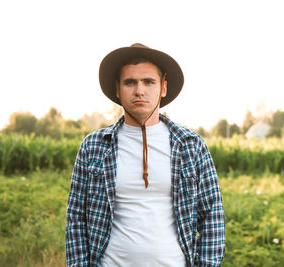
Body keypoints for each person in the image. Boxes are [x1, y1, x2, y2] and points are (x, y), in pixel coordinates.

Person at [65, 43, 225, 267]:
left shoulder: (191, 145)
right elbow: (76, 218)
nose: (139, 90)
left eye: (149, 82)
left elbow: (212, 215)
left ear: (163, 88)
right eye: (130, 82)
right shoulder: (94, 146)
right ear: (118, 90)